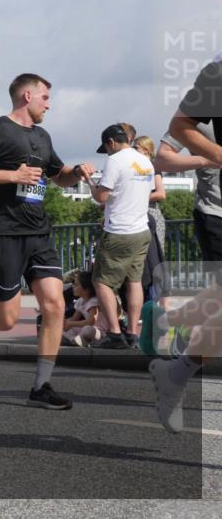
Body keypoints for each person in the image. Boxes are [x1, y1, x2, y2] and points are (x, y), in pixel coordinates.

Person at [0, 73, 94, 410]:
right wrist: (14, 175)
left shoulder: (42, 136)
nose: (49, 105)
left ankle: (41, 386)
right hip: (3, 232)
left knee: (55, 304)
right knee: (7, 318)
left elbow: (59, 177)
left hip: (38, 232)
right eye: (45, 98)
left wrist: (77, 173)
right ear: (27, 96)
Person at [144, 59, 222, 432]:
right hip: (216, 211)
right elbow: (165, 152)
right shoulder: (214, 82)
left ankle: (175, 348)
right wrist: (213, 156)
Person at [86, 124, 154, 349]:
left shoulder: (115, 161)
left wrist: (88, 180)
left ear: (111, 142)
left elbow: (102, 196)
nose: (107, 152)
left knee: (101, 282)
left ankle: (115, 334)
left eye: (106, 148)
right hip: (142, 230)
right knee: (134, 281)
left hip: (119, 231)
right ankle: (133, 333)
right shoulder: (145, 161)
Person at [134, 135, 169, 306]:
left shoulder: (153, 167)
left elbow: (161, 193)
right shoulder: (137, 168)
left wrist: (137, 196)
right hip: (139, 215)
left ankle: (160, 302)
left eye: (136, 148)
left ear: (146, 150)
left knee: (156, 259)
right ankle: (146, 301)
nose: (133, 151)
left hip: (151, 214)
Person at [61, 271, 104, 347]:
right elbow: (74, 318)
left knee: (87, 329)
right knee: (65, 330)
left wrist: (71, 324)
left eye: (76, 285)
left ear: (86, 290)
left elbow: (91, 321)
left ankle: (78, 340)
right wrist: (64, 323)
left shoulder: (93, 301)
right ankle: (75, 340)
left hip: (100, 331)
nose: (73, 286)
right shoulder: (80, 301)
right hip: (86, 329)